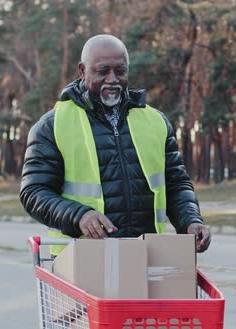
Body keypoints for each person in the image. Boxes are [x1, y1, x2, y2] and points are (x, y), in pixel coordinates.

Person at [20, 34, 211, 255]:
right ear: (82, 71)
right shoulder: (52, 125)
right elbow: (33, 192)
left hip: (146, 256)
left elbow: (177, 184)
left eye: (120, 71)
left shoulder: (156, 122)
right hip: (81, 260)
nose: (113, 79)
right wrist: (78, 215)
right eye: (103, 71)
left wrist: (190, 220)